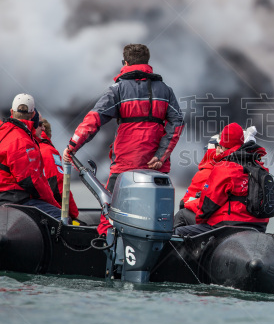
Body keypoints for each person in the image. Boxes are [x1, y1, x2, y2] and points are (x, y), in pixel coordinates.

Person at [63, 43, 184, 235]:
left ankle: (107, 248)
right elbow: (177, 122)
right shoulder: (166, 90)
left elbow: (94, 119)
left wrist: (73, 145)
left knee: (110, 213)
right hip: (155, 167)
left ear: (125, 62)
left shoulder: (117, 90)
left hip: (126, 165)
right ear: (147, 62)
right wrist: (161, 155)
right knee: (152, 215)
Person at [0, 93, 62, 219]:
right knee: (60, 218)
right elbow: (31, 181)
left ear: (11, 111)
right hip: (12, 199)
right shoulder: (22, 140)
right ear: (33, 115)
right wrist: (54, 205)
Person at [174, 123, 270, 237]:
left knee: (180, 227)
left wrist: (196, 213)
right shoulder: (261, 168)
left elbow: (207, 206)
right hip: (259, 227)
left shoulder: (225, 168)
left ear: (223, 143)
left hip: (230, 225)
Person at [36, 117, 80, 221]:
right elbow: (59, 185)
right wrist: (73, 214)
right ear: (48, 134)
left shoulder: (29, 146)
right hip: (47, 210)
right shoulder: (48, 151)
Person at [173, 134, 220, 229]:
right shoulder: (229, 169)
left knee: (181, 214)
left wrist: (185, 204)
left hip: (208, 219)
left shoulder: (206, 173)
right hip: (223, 218)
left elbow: (204, 204)